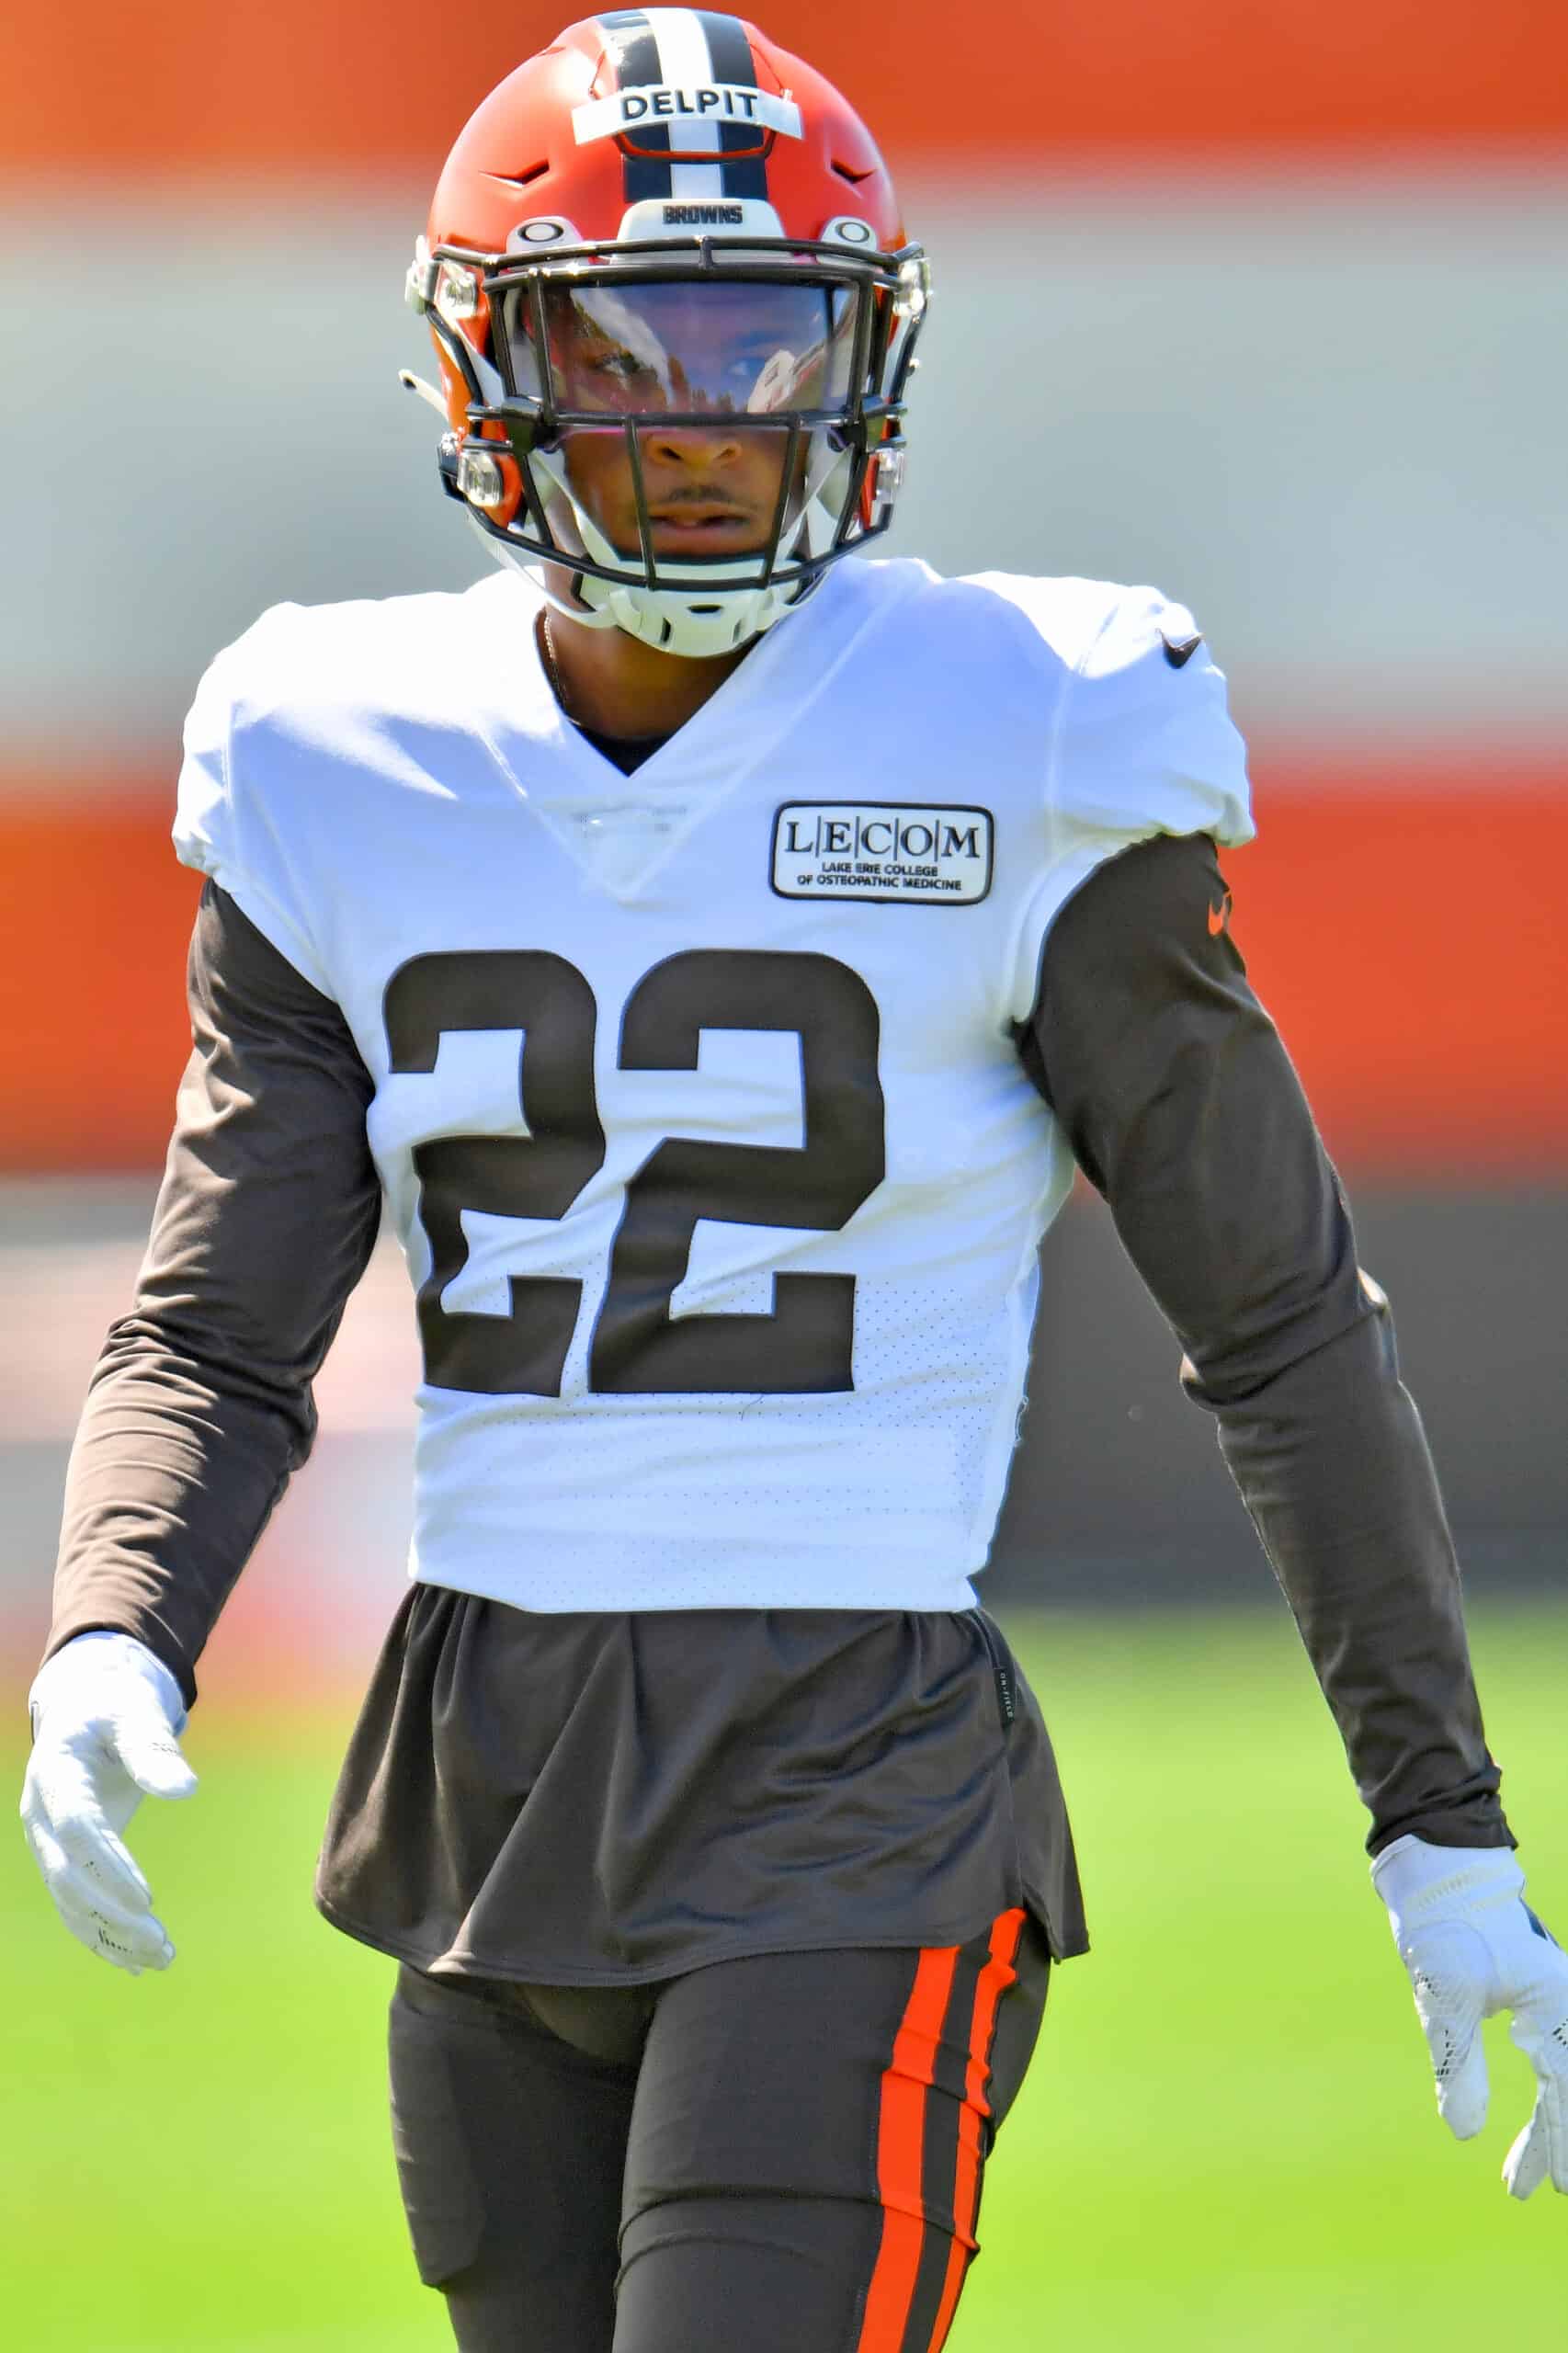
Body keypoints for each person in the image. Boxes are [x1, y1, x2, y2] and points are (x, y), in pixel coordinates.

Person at [21, 11, 1567, 2349]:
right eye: (631, 349)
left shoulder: (1029, 720)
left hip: (856, 1760)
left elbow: (1273, 1317)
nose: (711, 424)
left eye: (768, 347)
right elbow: (221, 1313)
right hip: (477, 1769)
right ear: (481, 377)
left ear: (865, 362)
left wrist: (1435, 1816)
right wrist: (116, 1616)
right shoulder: (334, 747)